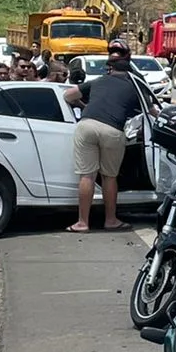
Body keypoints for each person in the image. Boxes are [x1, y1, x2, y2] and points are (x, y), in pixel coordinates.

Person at [63, 40, 148, 233]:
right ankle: (110, 220)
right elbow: (151, 111)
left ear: (109, 68)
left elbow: (68, 95)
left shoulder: (97, 82)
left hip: (86, 126)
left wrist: (85, 107)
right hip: (113, 130)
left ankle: (82, 223)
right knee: (109, 177)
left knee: (87, 176)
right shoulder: (135, 85)